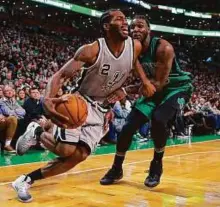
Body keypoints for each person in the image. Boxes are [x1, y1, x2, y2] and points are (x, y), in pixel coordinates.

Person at [12, 10, 156, 203]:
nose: (125, 23)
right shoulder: (92, 50)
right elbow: (61, 75)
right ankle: (36, 132)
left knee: (78, 156)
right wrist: (47, 98)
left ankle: (26, 178)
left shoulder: (135, 46)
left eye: (125, 20)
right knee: (66, 151)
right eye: (119, 19)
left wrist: (142, 81)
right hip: (81, 102)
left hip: (103, 108)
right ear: (106, 26)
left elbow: (134, 61)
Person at [100, 15, 193, 187]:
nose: (135, 29)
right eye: (133, 27)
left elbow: (157, 85)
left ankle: (156, 165)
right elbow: (146, 83)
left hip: (177, 88)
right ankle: (116, 168)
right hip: (153, 89)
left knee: (159, 119)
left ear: (149, 30)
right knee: (128, 127)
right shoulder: (132, 49)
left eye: (140, 26)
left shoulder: (163, 48)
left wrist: (125, 90)